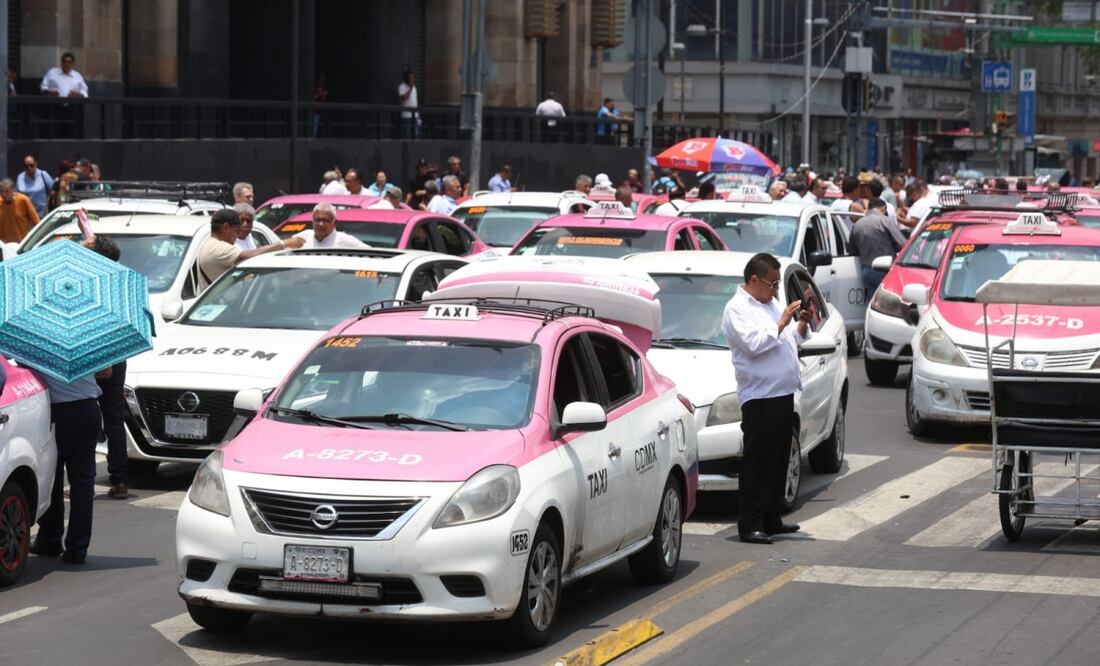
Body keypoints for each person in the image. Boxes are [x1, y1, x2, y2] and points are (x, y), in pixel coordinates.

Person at [721, 253, 810, 545]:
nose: (775, 291)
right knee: (758, 461)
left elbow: (788, 341)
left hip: (782, 392)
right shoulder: (736, 310)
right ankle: (750, 523)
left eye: (777, 285)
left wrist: (799, 326)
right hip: (760, 395)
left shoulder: (769, 304)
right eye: (772, 284)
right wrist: (782, 322)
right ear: (754, 280)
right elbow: (754, 346)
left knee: (778, 459)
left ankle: (772, 517)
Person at [28, 365, 101, 564]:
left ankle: (50, 539)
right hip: (88, 408)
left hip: (58, 413)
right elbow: (107, 372)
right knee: (83, 483)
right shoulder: (88, 336)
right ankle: (78, 548)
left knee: (52, 477)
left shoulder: (41, 341)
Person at [80, 235, 132, 499]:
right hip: (117, 353)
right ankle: (119, 480)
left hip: (95, 353)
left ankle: (84, 481)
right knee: (113, 418)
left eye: (87, 245)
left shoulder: (89, 284)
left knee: (87, 415)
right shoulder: (120, 283)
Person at [197, 209, 302, 292]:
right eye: (236, 231)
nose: (237, 235)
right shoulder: (218, 247)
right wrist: (284, 244)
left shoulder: (208, 243)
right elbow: (249, 256)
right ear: (226, 227)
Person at [849, 198, 906, 292]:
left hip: (866, 271)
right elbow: (902, 244)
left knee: (872, 304)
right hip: (884, 271)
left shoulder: (857, 224)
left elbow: (852, 249)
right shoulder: (885, 221)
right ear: (883, 208)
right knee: (887, 304)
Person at [293, 202, 370, 249]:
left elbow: (372, 254)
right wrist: (285, 243)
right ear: (312, 221)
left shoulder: (347, 241)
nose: (321, 224)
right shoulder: (302, 238)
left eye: (325, 220)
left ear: (335, 222)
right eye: (317, 220)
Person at [0, 178, 40, 243]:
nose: (4, 194)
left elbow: (36, 221)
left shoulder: (23, 200)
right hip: (3, 246)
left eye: (7, 191)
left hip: (21, 244)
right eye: (2, 191)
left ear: (13, 190)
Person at [398, 71, 419, 139]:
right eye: (410, 77)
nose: (412, 79)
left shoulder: (414, 87)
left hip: (415, 114)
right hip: (406, 115)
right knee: (407, 135)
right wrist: (410, 88)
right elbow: (403, 98)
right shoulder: (402, 87)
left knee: (415, 134)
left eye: (413, 77)